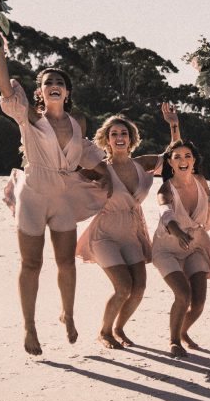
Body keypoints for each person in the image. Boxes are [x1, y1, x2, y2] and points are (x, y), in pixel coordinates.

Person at [0, 23, 107, 356]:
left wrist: (106, 174)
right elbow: (4, 87)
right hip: (33, 194)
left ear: (67, 93)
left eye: (60, 83)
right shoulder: (29, 117)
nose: (54, 86)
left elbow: (86, 152)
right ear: (39, 93)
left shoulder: (77, 122)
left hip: (64, 195)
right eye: (48, 83)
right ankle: (29, 327)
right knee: (31, 264)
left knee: (66, 263)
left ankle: (67, 314)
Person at [76, 105, 181, 349]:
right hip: (105, 235)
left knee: (139, 288)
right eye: (114, 134)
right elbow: (69, 180)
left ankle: (119, 328)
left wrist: (174, 125)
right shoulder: (99, 168)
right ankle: (104, 332)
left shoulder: (141, 163)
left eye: (124, 133)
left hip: (132, 232)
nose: (120, 138)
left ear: (131, 138)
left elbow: (174, 157)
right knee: (123, 287)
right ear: (107, 140)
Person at [151, 140, 210, 358]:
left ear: (194, 160)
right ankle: (174, 341)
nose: (183, 160)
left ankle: (182, 331)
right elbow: (165, 212)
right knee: (183, 295)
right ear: (170, 163)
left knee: (198, 303)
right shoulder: (166, 188)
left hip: (195, 246)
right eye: (177, 157)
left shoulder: (201, 181)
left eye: (187, 155)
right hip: (167, 248)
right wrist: (178, 231)